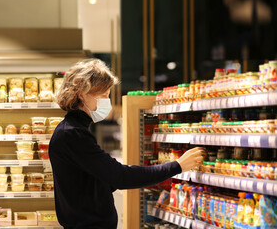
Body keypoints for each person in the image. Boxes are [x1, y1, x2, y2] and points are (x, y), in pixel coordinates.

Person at [49, 59, 203, 229]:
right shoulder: (72, 133)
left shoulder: (74, 130)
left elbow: (102, 181)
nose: (106, 101)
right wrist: (177, 166)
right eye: (103, 96)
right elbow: (119, 177)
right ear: (82, 94)